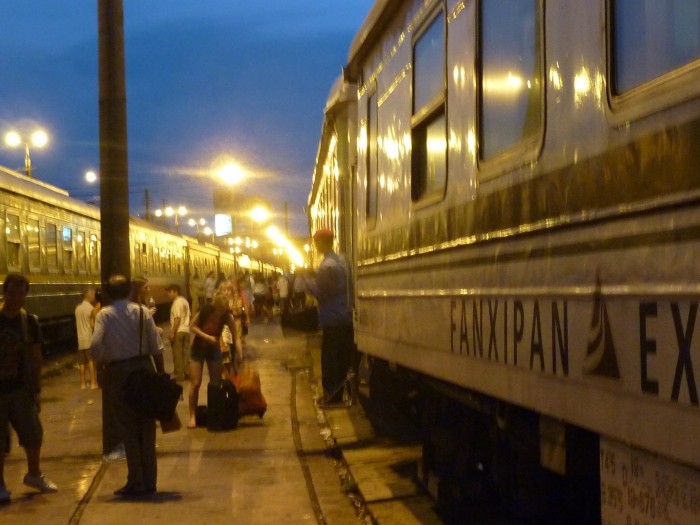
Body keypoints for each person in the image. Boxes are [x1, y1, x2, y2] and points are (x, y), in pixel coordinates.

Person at [91, 275, 165, 497]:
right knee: (147, 427)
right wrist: (160, 375)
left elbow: (95, 347)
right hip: (144, 370)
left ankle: (135, 481)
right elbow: (157, 347)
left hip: (119, 373)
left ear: (110, 293)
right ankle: (150, 481)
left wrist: (102, 361)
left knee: (129, 431)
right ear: (129, 291)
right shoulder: (143, 312)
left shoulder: (104, 315)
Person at [0, 273, 58, 504]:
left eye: (21, 293)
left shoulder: (29, 322)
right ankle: (1, 484)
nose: (16, 298)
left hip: (21, 389)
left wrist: (37, 390)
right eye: (12, 293)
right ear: (4, 293)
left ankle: (34, 474)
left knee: (33, 435)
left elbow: (36, 356)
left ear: (26, 295)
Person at [301, 229, 354, 404]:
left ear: (321, 243)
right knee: (342, 359)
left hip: (332, 318)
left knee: (330, 360)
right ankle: (341, 394)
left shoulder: (326, 266)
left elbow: (321, 293)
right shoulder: (342, 262)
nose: (315, 246)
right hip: (345, 316)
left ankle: (332, 396)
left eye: (316, 242)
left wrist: (307, 280)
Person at [187, 292, 240, 428]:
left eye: (223, 310)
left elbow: (236, 335)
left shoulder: (227, 316)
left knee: (215, 383)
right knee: (196, 382)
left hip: (213, 349)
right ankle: (192, 415)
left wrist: (240, 352)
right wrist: (206, 337)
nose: (221, 313)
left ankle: (214, 412)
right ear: (214, 306)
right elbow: (192, 326)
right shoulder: (205, 310)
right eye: (219, 310)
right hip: (198, 348)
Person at [166, 284, 191, 382]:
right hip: (186, 330)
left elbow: (177, 319)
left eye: (169, 292)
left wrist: (172, 333)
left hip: (179, 331)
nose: (168, 294)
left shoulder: (176, 302)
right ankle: (187, 373)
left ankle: (179, 376)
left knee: (177, 355)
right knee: (186, 354)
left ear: (175, 291)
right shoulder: (185, 301)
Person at [75, 287, 98, 389]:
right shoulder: (91, 309)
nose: (94, 297)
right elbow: (93, 325)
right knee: (91, 361)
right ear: (87, 295)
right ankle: (93, 382)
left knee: (81, 362)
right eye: (93, 294)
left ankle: (83, 383)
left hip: (80, 338)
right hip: (89, 338)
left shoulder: (77, 309)